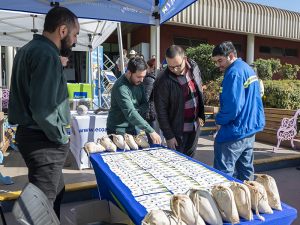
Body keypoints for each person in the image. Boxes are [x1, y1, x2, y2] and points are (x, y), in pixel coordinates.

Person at [8, 6, 79, 219]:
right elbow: (43, 110)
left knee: (54, 193)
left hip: (34, 137)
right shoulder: (46, 54)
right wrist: (61, 137)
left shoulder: (29, 49)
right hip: (43, 140)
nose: (75, 41)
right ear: (63, 31)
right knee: (42, 207)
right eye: (75, 35)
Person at [211, 41, 265, 181]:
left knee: (223, 175)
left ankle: (226, 203)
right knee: (245, 173)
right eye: (216, 62)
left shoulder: (233, 73)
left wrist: (219, 119)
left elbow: (232, 107)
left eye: (220, 60)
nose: (218, 65)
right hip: (249, 129)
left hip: (234, 131)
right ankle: (250, 201)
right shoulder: (247, 68)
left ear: (230, 56)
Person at [154, 45, 205, 157]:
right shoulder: (163, 80)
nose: (175, 70)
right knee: (176, 164)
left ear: (185, 58)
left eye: (178, 66)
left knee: (192, 162)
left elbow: (198, 90)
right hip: (177, 132)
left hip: (194, 127)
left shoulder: (194, 68)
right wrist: (169, 136)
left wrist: (201, 114)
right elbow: (161, 111)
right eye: (171, 67)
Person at [106, 57, 161, 144]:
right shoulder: (121, 87)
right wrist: (151, 131)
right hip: (117, 130)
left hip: (132, 127)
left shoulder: (139, 83)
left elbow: (145, 104)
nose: (142, 80)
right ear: (129, 72)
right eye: (139, 77)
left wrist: (136, 111)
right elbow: (130, 113)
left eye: (143, 76)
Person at [143, 58, 159, 144]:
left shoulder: (149, 79)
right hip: (152, 111)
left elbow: (146, 97)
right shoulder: (152, 78)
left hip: (149, 112)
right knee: (153, 137)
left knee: (152, 138)